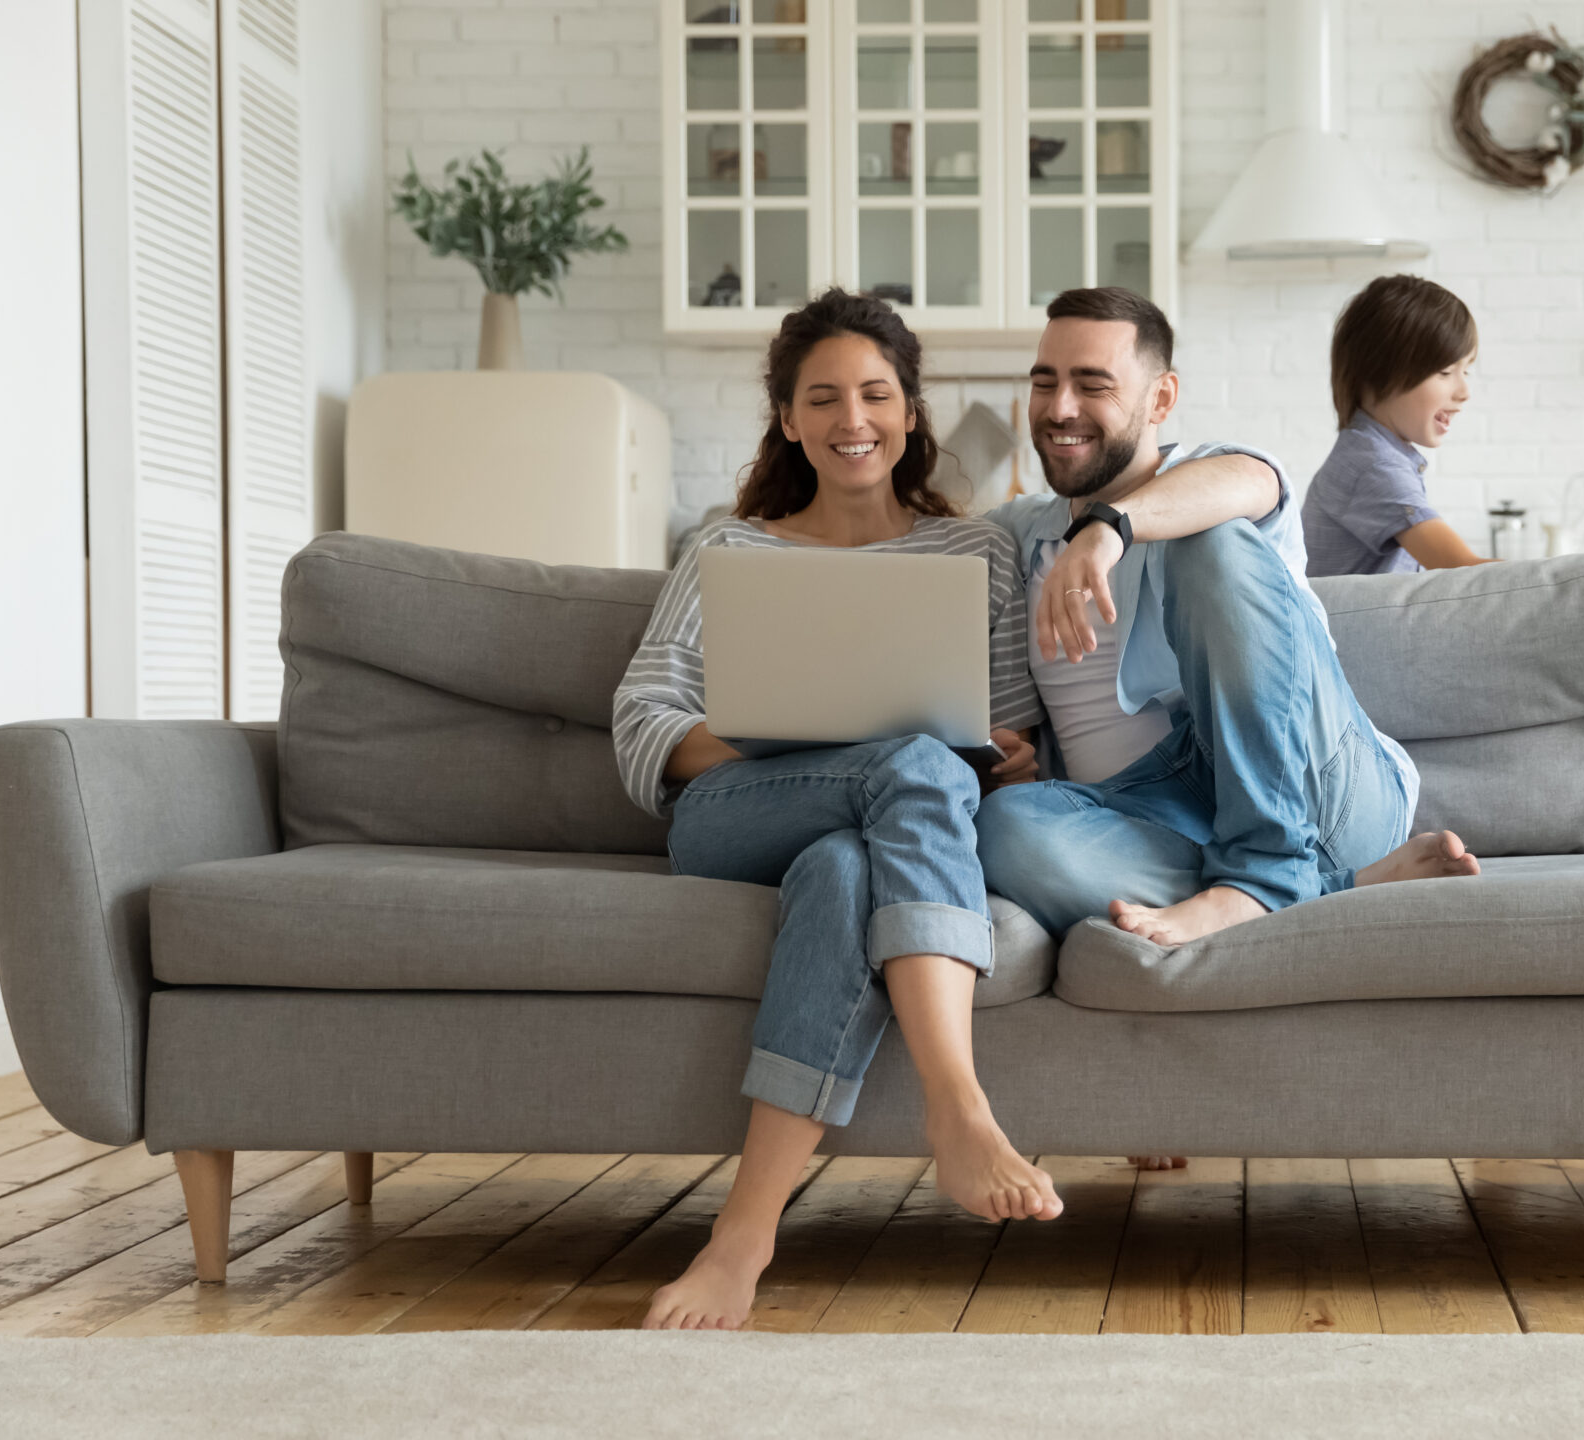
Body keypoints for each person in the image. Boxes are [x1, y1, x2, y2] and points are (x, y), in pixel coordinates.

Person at [611, 290, 1062, 1331]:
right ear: (788, 419)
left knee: (846, 873)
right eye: (822, 398)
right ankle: (958, 1109)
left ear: (909, 412)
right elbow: (642, 715)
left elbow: (1004, 727)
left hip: (876, 832)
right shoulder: (731, 553)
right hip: (735, 812)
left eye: (874, 393)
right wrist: (791, 736)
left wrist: (1017, 753)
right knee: (905, 762)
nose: (850, 417)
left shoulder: (977, 553)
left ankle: (743, 1238)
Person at [974, 286, 1482, 955]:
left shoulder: (1212, 476)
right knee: (1001, 828)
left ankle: (1264, 870)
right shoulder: (1017, 533)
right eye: (1046, 383)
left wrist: (1110, 528)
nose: (1060, 407)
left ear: (1160, 400)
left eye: (1092, 384)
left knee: (1209, 536)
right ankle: (1332, 886)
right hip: (1158, 814)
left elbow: (1247, 483)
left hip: (1319, 785)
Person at [1303, 275, 1491, 576]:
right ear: (1378, 373)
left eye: (1465, 371)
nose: (1464, 391)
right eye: (1445, 371)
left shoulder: (1375, 454)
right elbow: (1466, 572)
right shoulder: (1373, 467)